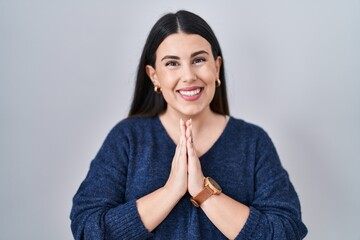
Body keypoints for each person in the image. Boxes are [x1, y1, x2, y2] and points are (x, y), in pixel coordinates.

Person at [70, 10, 308, 240]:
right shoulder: (127, 138)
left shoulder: (253, 141)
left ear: (216, 67)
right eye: (172, 64)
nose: (189, 75)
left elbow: (286, 231)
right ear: (154, 76)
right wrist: (171, 191)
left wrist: (203, 193)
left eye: (199, 60)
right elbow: (87, 228)